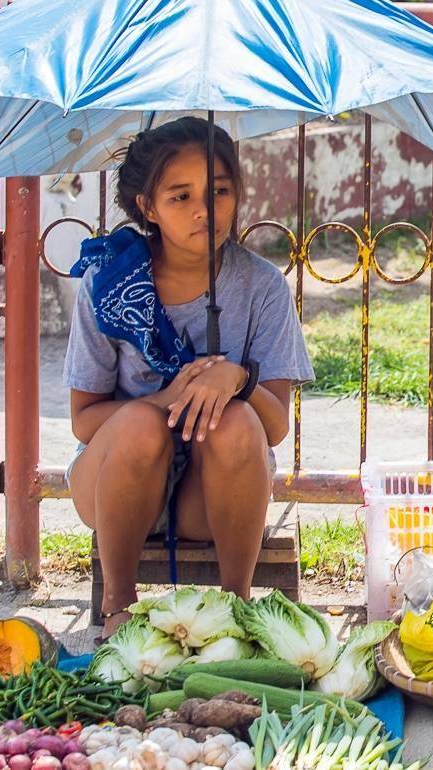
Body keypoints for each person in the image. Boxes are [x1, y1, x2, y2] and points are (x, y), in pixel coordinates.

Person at [65, 117, 313, 636]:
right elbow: (85, 422)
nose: (206, 210)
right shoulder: (108, 287)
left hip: (214, 499)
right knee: (139, 425)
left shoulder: (261, 287)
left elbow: (274, 428)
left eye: (219, 191)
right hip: (119, 489)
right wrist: (167, 400)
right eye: (180, 197)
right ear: (147, 207)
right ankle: (118, 608)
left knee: (236, 420)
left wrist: (237, 379)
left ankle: (236, 610)